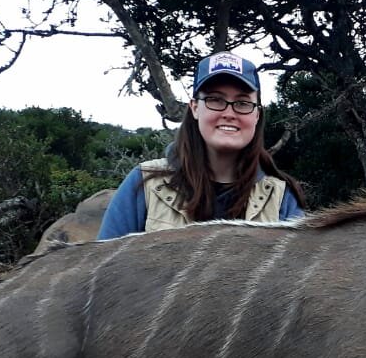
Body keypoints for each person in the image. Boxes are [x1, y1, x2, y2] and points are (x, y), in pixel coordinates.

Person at [98, 52, 306, 239]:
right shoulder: (144, 183)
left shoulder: (281, 198)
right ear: (195, 108)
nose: (229, 113)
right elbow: (105, 270)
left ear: (256, 114)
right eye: (215, 100)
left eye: (242, 103)